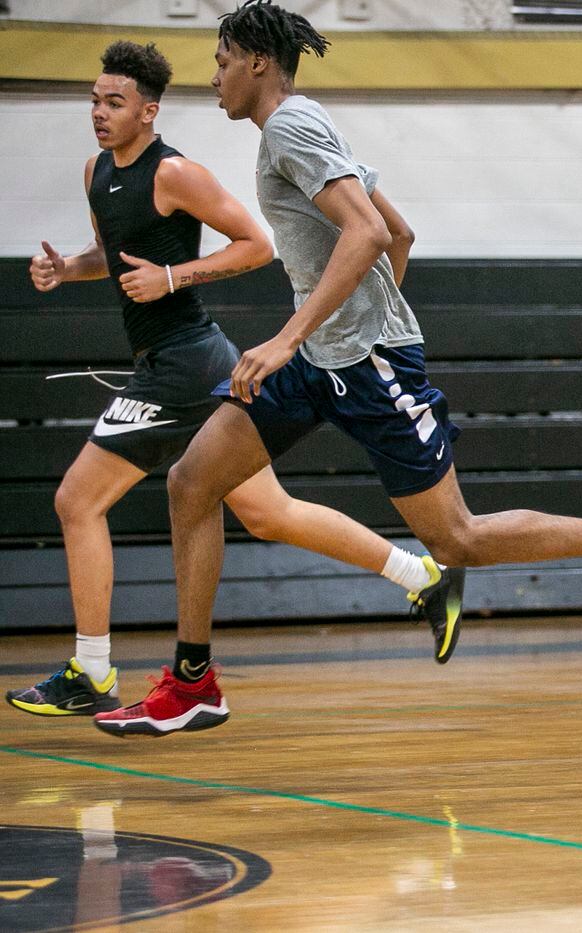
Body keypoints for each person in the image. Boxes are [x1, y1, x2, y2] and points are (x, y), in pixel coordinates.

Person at [92, 1, 582, 737]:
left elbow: (369, 232)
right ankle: (193, 682)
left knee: (457, 540)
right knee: (193, 482)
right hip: (324, 357)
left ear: (258, 62)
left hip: (361, 364)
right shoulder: (301, 125)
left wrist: (307, 337)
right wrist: (347, 323)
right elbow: (399, 232)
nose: (215, 77)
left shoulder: (290, 127)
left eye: (222, 62)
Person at [5, 41, 455, 721]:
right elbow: (112, 254)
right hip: (180, 363)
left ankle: (92, 671)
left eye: (115, 102)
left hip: (185, 364)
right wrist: (70, 268)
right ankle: (420, 575)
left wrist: (173, 277)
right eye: (94, 101)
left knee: (77, 500)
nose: (99, 113)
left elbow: (255, 245)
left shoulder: (176, 172)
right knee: (268, 514)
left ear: (148, 111)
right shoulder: (96, 172)